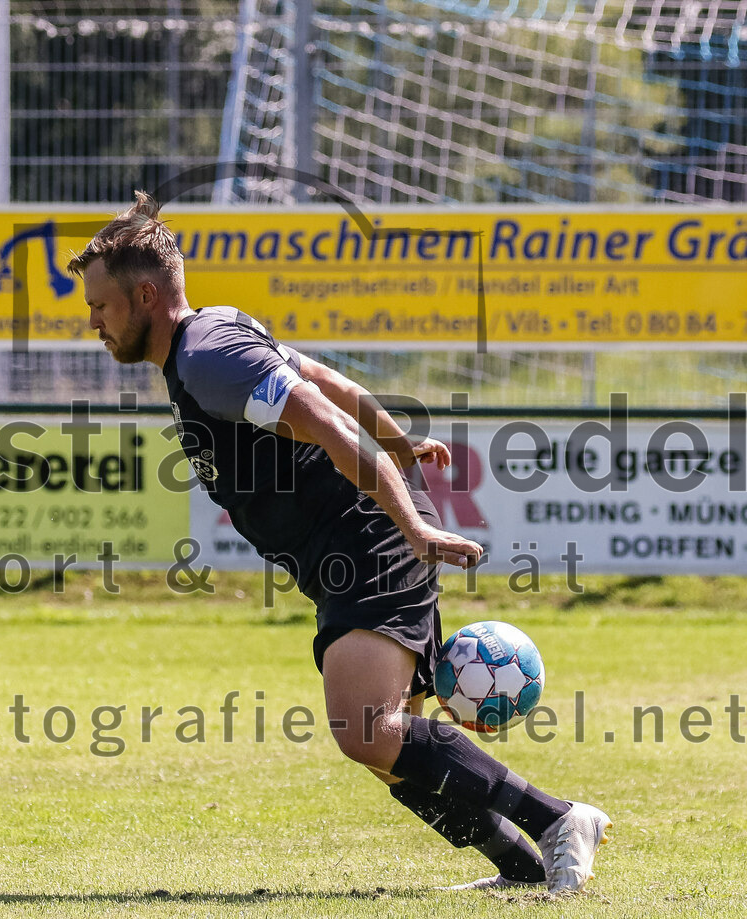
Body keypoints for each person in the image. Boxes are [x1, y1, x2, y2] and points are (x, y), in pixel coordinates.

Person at [66, 193, 612, 894]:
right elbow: (324, 376)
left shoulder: (206, 357)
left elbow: (321, 415)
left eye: (100, 307)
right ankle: (523, 870)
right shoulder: (217, 334)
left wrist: (410, 521)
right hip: (350, 547)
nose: (93, 323)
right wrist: (395, 443)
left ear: (144, 295)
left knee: (366, 727)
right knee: (388, 748)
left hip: (369, 536)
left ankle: (560, 818)